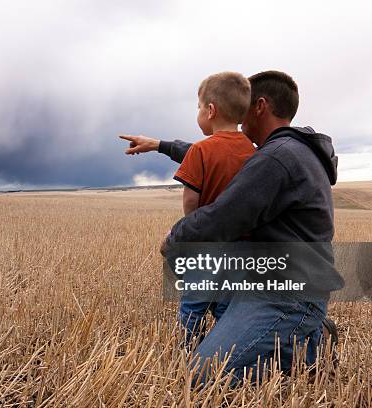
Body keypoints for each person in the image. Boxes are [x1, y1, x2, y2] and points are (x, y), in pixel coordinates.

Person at [120, 70, 341, 385]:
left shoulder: (277, 159)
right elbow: (216, 154)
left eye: (246, 105)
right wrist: (160, 145)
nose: (238, 117)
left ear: (259, 106)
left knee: (200, 379)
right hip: (268, 284)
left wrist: (174, 241)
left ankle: (305, 344)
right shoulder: (283, 152)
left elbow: (221, 217)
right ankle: (299, 336)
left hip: (286, 296)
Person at [170, 72, 256, 346]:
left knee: (193, 305)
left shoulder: (200, 150)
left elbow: (190, 200)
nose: (198, 112)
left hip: (206, 245)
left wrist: (193, 227)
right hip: (241, 248)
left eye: (198, 107)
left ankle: (187, 353)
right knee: (225, 308)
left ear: (210, 110)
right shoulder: (253, 150)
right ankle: (221, 351)